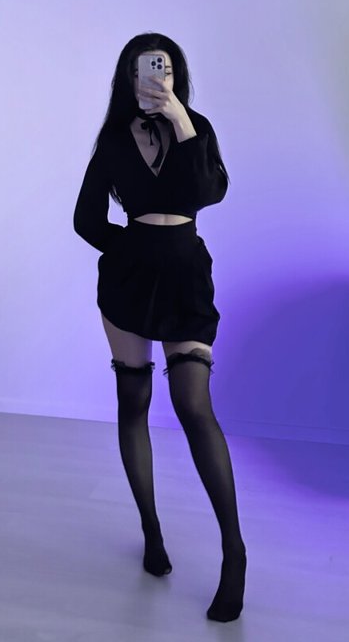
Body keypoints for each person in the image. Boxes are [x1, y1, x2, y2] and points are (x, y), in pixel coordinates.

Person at [73, 32, 247, 623]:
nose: (155, 76)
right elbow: (85, 219)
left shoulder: (195, 127)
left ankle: (234, 551)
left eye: (165, 68)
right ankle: (151, 531)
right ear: (128, 77)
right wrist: (132, 248)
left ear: (176, 75)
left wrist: (179, 118)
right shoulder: (113, 139)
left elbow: (210, 191)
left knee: (194, 405)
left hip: (186, 276)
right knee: (134, 402)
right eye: (145, 69)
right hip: (129, 280)